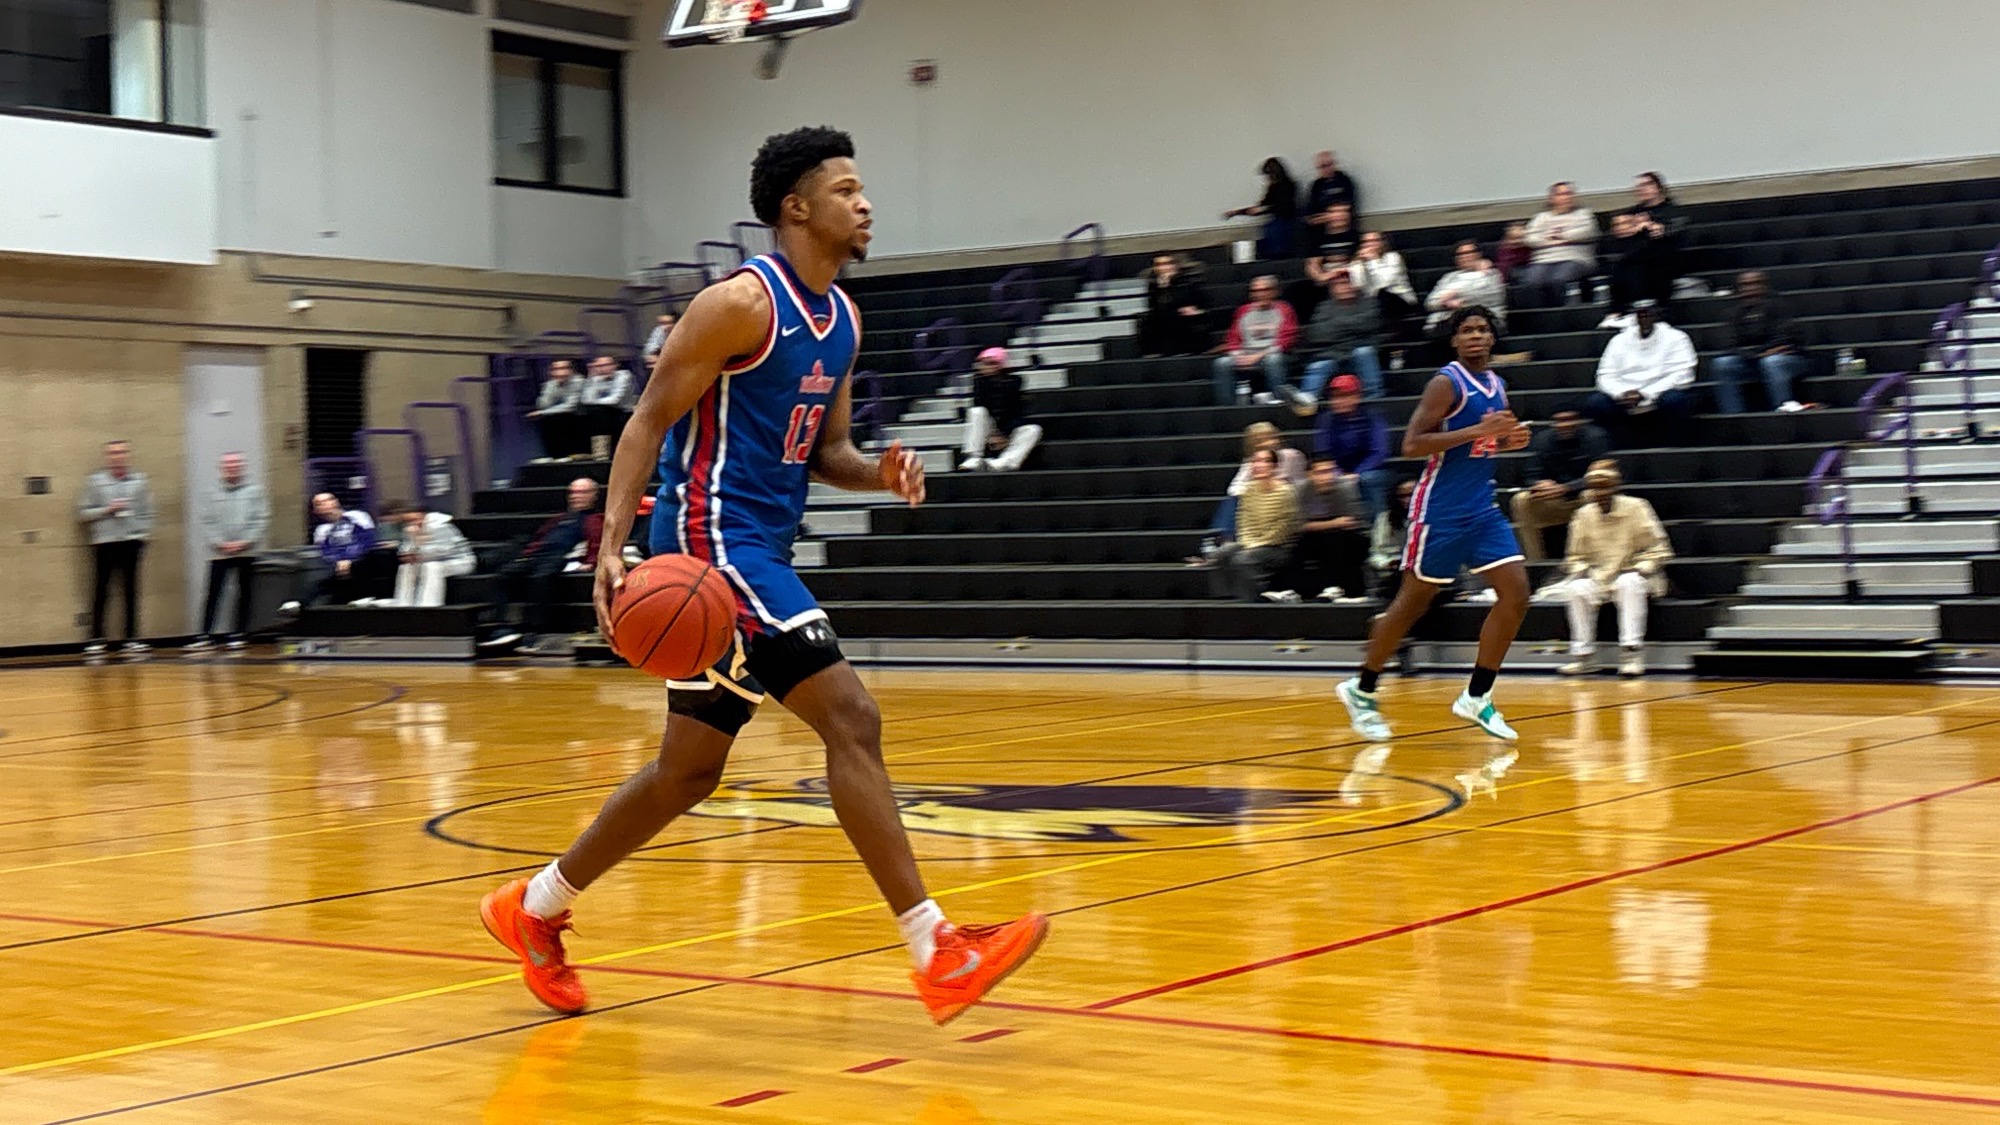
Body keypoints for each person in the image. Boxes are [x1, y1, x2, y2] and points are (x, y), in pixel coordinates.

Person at [480, 126, 1046, 1028]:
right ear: (798, 207)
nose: (866, 205)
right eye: (848, 189)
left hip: (759, 548)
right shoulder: (739, 304)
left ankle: (534, 907)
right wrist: (613, 542)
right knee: (852, 717)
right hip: (709, 543)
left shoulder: (846, 319)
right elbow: (645, 422)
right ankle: (937, 948)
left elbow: (827, 452)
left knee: (687, 771)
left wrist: (880, 472)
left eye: (865, 191)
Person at [1335, 306, 1532, 743]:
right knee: (1411, 605)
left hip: (1482, 508)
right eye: (1467, 330)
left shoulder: (1497, 384)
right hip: (1439, 510)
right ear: (1454, 340)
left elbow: (1488, 437)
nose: (1476, 336)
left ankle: (1477, 696)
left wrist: (1508, 438)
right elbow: (1411, 444)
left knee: (1517, 593)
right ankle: (1362, 688)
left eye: (1483, 329)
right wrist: (1478, 430)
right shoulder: (1446, 382)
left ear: (1493, 338)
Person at [1558, 461, 1672, 677]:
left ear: (1615, 487)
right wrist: (1581, 570)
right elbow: (1574, 556)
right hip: (1598, 576)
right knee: (1576, 589)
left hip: (1635, 573)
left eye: (1605, 487)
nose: (1600, 493)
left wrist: (1641, 568)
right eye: (1595, 488)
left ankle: (1631, 655)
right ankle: (1583, 657)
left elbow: (1659, 548)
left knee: (1628, 583)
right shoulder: (1583, 515)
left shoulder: (1637, 507)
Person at [495, 477, 604, 645]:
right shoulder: (559, 519)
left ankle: (535, 630)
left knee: (539, 579)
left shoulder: (594, 519)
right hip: (539, 554)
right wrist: (525, 555)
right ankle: (503, 625)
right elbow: (539, 539)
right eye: (573, 492)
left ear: (593, 495)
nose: (576, 496)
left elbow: (596, 543)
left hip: (562, 556)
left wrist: (590, 561)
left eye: (582, 492)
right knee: (504, 575)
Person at [75, 439, 155, 655]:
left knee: (131, 590)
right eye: (113, 453)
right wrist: (107, 509)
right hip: (105, 543)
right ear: (107, 457)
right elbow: (83, 513)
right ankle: (96, 638)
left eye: (121, 452)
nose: (117, 456)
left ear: (127, 455)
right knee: (101, 590)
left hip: (131, 541)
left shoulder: (139, 481)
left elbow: (148, 511)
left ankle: (132, 637)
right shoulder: (96, 482)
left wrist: (142, 535)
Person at [1586, 300, 1697, 447]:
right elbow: (1605, 374)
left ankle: (1674, 448)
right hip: (1624, 398)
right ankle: (1613, 450)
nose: (1644, 318)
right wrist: (1621, 394)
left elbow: (1684, 374)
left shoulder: (1677, 337)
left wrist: (1646, 393)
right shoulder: (1618, 340)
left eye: (1648, 313)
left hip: (1659, 395)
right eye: (1640, 314)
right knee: (1597, 402)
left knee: (1674, 399)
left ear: (1656, 315)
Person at [189, 451, 269, 651]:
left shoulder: (255, 491)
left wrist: (245, 541)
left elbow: (261, 519)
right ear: (222, 469)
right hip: (219, 552)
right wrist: (219, 542)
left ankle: (239, 633)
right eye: (228, 465)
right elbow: (206, 521)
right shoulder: (211, 492)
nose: (232, 468)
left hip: (246, 551)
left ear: (241, 467)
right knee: (213, 593)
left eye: (235, 465)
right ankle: (205, 634)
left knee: (244, 593)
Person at [1509, 408, 1611, 562]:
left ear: (1579, 421)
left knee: (1591, 495)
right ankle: (1536, 563)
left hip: (1581, 496)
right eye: (1560, 421)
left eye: (1570, 419)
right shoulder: (1542, 440)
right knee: (1521, 500)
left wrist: (1567, 488)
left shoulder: (1595, 437)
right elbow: (1530, 475)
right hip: (1554, 499)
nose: (1565, 425)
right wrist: (1540, 485)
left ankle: (1595, 559)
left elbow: (1603, 475)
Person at [1713, 270, 1810, 413]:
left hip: (1788, 361)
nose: (1750, 288)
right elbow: (1728, 344)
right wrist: (1760, 354)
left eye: (1755, 283)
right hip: (1751, 360)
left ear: (1765, 286)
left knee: (1772, 362)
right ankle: (1733, 416)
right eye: (1745, 285)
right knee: (1722, 364)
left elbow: (1785, 339)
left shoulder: (1782, 308)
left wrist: (1759, 354)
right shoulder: (1732, 314)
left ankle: (1782, 410)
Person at [1209, 448, 1299, 601]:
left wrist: (1255, 545)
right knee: (1221, 554)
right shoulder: (1249, 490)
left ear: (1275, 466)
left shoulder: (1286, 492)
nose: (1259, 465)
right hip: (1250, 542)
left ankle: (1251, 602)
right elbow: (1243, 521)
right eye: (1256, 461)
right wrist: (1248, 543)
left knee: (1243, 559)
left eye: (1265, 461)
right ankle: (1224, 600)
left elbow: (1283, 528)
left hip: (1277, 547)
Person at [1602, 172, 1688, 326]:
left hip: (1665, 258)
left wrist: (1648, 227)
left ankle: (1627, 310)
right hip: (1636, 256)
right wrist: (1633, 228)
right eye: (1638, 187)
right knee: (1624, 265)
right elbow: (1620, 232)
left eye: (1645, 185)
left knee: (1639, 263)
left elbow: (1672, 231)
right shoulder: (1632, 213)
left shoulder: (1672, 210)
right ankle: (1619, 311)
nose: (1641, 189)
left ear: (1657, 187)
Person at [1311, 374, 1392, 524]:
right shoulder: (1326, 420)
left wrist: (1357, 473)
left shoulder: (1373, 416)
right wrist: (1337, 473)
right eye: (1336, 396)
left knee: (1368, 479)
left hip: (1371, 470)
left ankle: (1378, 529)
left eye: (1346, 395)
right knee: (1325, 479)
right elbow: (1322, 453)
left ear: (1357, 397)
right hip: (1337, 471)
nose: (1340, 400)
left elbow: (1379, 451)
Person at [1298, 271, 1386, 407]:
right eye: (1340, 284)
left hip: (1359, 350)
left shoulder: (1369, 303)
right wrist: (1352, 326)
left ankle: (1373, 397)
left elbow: (1369, 324)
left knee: (1363, 352)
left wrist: (1337, 324)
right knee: (1318, 366)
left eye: (1348, 282)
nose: (1346, 286)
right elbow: (1317, 334)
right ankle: (1306, 402)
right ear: (1332, 288)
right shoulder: (1324, 308)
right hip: (1333, 354)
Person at [1210, 275, 1299, 406]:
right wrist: (1238, 355)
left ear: (1274, 291)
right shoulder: (1243, 311)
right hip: (1246, 354)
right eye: (1255, 291)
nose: (1260, 294)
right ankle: (1227, 407)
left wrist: (1257, 356)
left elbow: (1286, 340)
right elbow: (1233, 339)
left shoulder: (1284, 309)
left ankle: (1279, 403)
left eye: (1265, 290)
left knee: (1273, 360)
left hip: (1271, 354)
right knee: (1222, 363)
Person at [1290, 456, 1369, 600]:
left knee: (1334, 537)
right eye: (1321, 472)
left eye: (1330, 471)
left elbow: (1350, 521)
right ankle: (1294, 589)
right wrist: (1332, 523)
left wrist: (1322, 525)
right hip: (1317, 535)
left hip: (1351, 536)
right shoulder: (1302, 490)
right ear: (1310, 474)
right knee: (1299, 542)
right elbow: (1299, 525)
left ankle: (1335, 587)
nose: (1327, 476)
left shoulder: (1345, 487)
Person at [1517, 181, 1601, 308]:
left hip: (1575, 259)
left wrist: (1561, 235)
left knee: (1559, 279)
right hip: (1544, 260)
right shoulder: (1541, 217)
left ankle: (1560, 313)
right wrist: (1554, 238)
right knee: (1531, 280)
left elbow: (1587, 232)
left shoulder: (1583, 214)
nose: (1566, 197)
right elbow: (1530, 238)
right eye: (1561, 194)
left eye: (1569, 193)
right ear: (1552, 198)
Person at [959, 346, 1042, 472]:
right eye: (983, 363)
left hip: (1008, 427)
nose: (986, 366)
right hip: (989, 427)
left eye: (991, 363)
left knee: (1033, 429)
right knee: (976, 411)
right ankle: (973, 457)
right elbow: (983, 406)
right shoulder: (979, 382)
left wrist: (1004, 435)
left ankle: (1003, 462)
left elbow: (1016, 410)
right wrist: (994, 434)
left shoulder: (1014, 382)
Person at [389, 500, 477, 608]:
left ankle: (429, 606)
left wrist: (419, 552)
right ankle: (403, 605)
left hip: (460, 561)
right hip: (429, 561)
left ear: (423, 516)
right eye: (409, 521)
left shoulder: (440, 526)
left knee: (432, 567)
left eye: (415, 519)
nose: (413, 523)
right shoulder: (410, 530)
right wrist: (409, 552)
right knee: (406, 568)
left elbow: (447, 549)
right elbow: (405, 550)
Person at [307, 492, 383, 606]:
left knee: (372, 559)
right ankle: (299, 604)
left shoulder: (357, 516)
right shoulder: (321, 530)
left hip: (361, 562)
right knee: (320, 577)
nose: (324, 505)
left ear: (336, 502)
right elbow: (326, 552)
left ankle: (366, 598)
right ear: (316, 510)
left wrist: (349, 560)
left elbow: (367, 540)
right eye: (318, 504)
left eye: (328, 500)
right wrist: (340, 561)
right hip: (337, 568)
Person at [1423, 241, 1508, 338]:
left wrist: (1453, 293)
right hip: (1448, 323)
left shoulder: (1491, 274)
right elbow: (1430, 303)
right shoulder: (1448, 277)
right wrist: (1445, 303)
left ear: (1478, 254)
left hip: (1484, 321)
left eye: (1470, 252)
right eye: (1461, 254)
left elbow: (1489, 297)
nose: (1465, 256)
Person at [1223, 157, 1303, 259]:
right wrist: (1237, 212)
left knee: (1274, 234)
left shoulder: (1289, 186)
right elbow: (1260, 207)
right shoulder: (1273, 188)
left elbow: (1284, 207)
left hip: (1287, 223)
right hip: (1277, 224)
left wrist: (1264, 209)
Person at [1348, 231, 1420, 335]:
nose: (1370, 244)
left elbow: (1386, 282)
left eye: (1374, 241)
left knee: (1382, 294)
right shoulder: (1357, 263)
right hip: (1372, 303)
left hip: (1399, 300)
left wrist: (1373, 260)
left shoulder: (1393, 257)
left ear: (1382, 243)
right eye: (1366, 241)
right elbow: (1358, 285)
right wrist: (1365, 266)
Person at [1136, 253, 1208, 357]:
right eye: (1158, 264)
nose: (1162, 268)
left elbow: (1185, 301)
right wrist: (1163, 286)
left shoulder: (1189, 281)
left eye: (1166, 264)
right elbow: (1155, 306)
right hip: (1163, 319)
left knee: (1173, 315)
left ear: (1175, 265)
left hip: (1186, 320)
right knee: (1149, 319)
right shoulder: (1154, 285)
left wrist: (1170, 285)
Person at [580, 355, 637, 459]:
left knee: (599, 412)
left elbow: (615, 400)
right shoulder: (595, 379)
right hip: (603, 413)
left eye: (606, 365)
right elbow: (586, 400)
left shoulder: (624, 375)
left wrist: (596, 401)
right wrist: (591, 378)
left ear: (615, 365)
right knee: (592, 413)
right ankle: (600, 453)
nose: (602, 368)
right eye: (599, 366)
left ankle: (610, 453)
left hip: (623, 411)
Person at [527, 359, 584, 459]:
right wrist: (552, 389)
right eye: (556, 369)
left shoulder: (579, 381)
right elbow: (542, 404)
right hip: (558, 416)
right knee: (547, 419)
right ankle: (553, 455)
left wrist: (543, 412)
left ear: (571, 370)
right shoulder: (551, 384)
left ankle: (569, 455)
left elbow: (570, 406)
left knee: (561, 418)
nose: (560, 372)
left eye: (563, 368)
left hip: (579, 417)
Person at [1304, 150, 1360, 227]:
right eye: (1323, 166)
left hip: (1346, 227)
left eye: (1329, 165)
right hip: (1322, 230)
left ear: (1334, 164)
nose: (1327, 169)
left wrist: (1330, 216)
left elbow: (1349, 207)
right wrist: (1329, 217)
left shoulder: (1345, 181)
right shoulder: (1315, 186)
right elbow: (1311, 215)